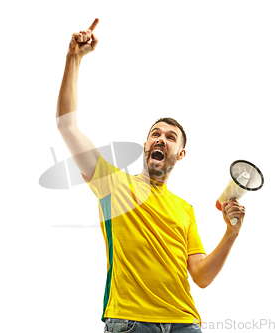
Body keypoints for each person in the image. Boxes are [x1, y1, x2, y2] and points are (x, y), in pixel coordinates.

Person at [56, 18, 246, 333]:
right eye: (155, 134)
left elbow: (200, 276)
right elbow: (67, 126)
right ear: (145, 145)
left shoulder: (184, 210)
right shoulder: (112, 183)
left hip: (186, 324)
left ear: (180, 154)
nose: (161, 138)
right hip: (131, 323)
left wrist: (230, 233)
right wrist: (73, 58)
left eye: (171, 137)